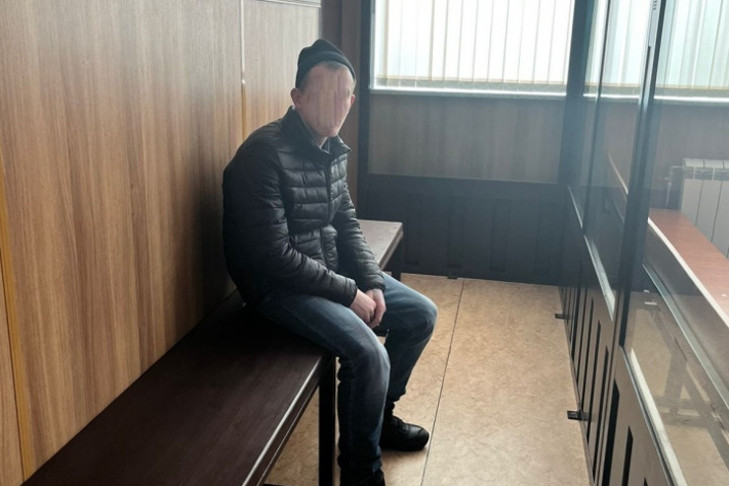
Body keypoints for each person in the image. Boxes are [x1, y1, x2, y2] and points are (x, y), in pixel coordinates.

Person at [222, 39, 437, 486]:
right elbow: (273, 256)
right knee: (369, 355)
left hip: (327, 271)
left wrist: (372, 281)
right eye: (321, 93)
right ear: (297, 97)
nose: (334, 105)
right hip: (277, 289)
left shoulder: (333, 148)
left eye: (343, 95)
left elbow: (347, 222)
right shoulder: (263, 154)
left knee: (421, 314)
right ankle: (361, 472)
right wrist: (350, 293)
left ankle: (380, 417)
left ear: (352, 102)